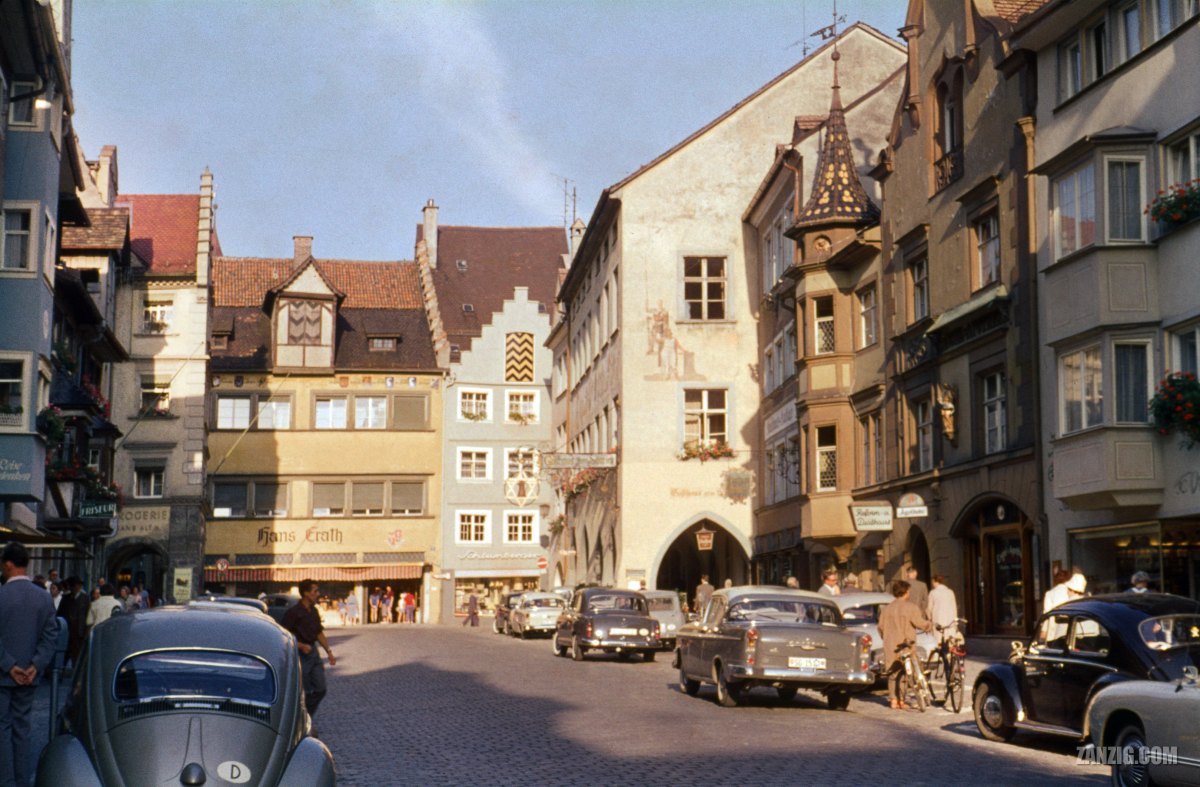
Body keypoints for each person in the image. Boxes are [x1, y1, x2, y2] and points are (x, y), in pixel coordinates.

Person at [0, 543, 59, 787]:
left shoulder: (1, 595)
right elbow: (51, 635)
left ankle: (6, 779)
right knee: (22, 728)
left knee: (2, 728)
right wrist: (35, 665)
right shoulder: (44, 598)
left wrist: (8, 665)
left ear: (8, 564)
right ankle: (22, 780)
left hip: (3, 675)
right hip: (29, 676)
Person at [282, 579, 336, 735]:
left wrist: (329, 652)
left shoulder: (314, 611)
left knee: (320, 688)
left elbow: (319, 632)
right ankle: (301, 722)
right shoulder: (293, 613)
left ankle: (306, 717)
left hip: (313, 653)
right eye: (315, 591)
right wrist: (300, 646)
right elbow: (284, 635)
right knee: (303, 691)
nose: (317, 594)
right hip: (300, 654)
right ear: (306, 593)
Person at [878, 579, 933, 710]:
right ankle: (901, 700)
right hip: (906, 643)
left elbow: (880, 627)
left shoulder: (886, 609)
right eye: (909, 591)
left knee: (893, 671)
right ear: (906, 592)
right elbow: (919, 622)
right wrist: (929, 625)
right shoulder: (911, 607)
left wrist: (886, 638)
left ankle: (893, 700)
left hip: (891, 644)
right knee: (905, 671)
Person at [927, 575, 958, 639]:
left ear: (935, 582)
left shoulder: (933, 592)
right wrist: (955, 621)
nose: (932, 584)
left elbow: (929, 608)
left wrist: (929, 618)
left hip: (937, 619)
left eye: (932, 582)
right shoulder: (950, 592)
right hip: (950, 619)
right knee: (950, 639)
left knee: (938, 639)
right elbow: (954, 607)